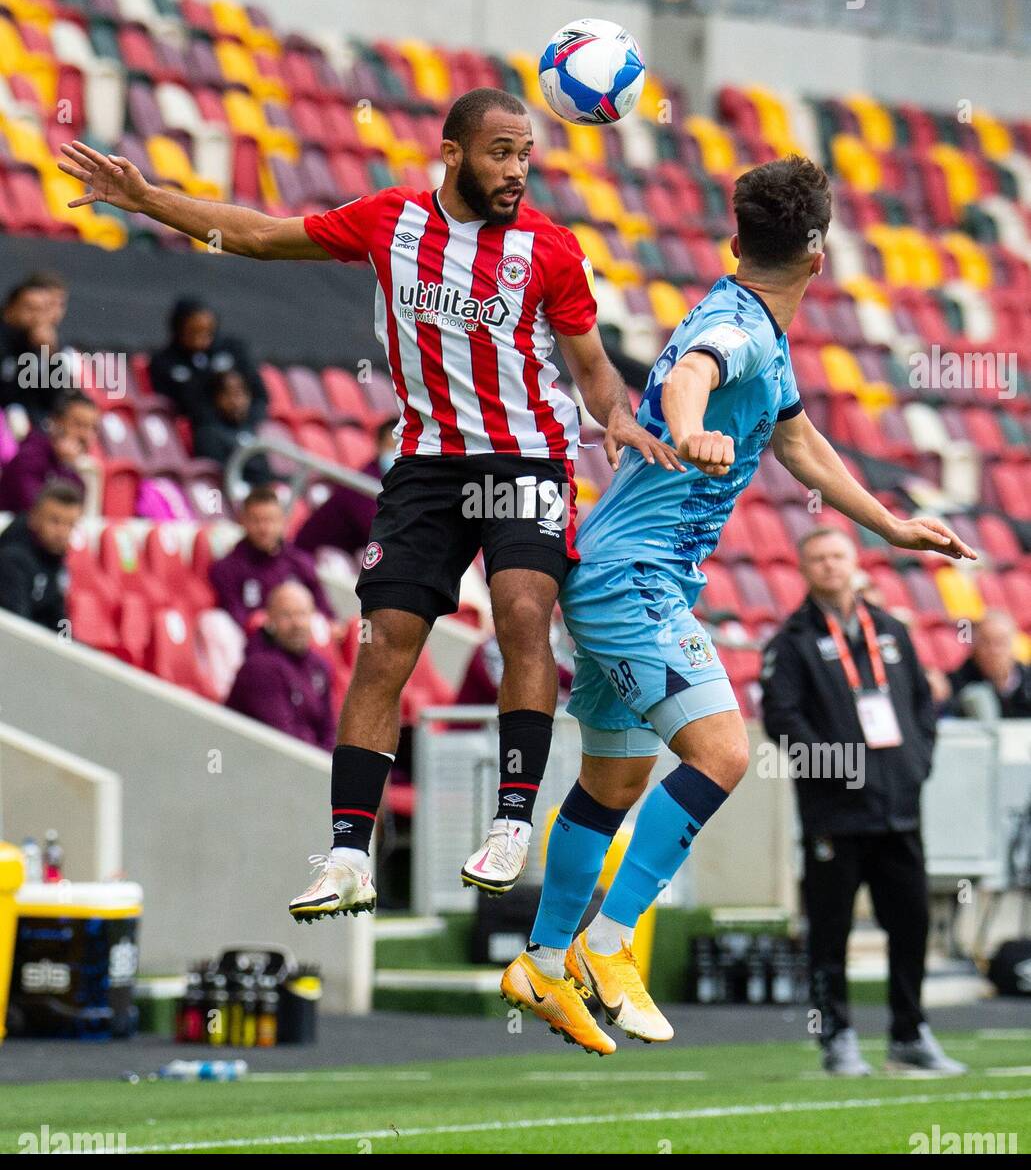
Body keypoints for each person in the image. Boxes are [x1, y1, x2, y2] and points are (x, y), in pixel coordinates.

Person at [57, 88, 672, 927]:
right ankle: (348, 854)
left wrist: (619, 417)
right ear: (452, 152)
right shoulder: (389, 221)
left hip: (526, 455)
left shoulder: (551, 252)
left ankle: (511, 822)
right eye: (500, 151)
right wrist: (146, 198)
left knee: (522, 613)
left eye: (526, 153)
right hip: (425, 466)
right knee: (382, 648)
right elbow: (259, 236)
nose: (517, 170)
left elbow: (593, 365)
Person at [497, 155, 975, 1056]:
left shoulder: (755, 323)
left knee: (612, 782)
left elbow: (798, 442)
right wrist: (687, 426)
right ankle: (608, 948)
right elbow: (693, 378)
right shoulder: (738, 327)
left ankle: (544, 960)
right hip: (631, 580)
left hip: (618, 575)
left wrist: (889, 526)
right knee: (720, 753)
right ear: (818, 254)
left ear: (734, 242)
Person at [760, 525, 965, 1076]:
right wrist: (840, 771)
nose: (829, 566)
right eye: (818, 558)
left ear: (853, 563)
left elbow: (924, 707)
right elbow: (782, 722)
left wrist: (915, 765)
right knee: (831, 932)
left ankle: (909, 1033)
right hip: (835, 815)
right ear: (803, 569)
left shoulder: (892, 631)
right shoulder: (792, 641)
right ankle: (836, 1037)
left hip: (899, 810)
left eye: (837, 556)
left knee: (911, 923)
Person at [226, 581, 336, 751]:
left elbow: (329, 731)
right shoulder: (259, 668)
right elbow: (284, 742)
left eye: (302, 614)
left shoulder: (319, 667)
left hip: (310, 763)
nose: (297, 623)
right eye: (286, 615)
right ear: (269, 619)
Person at [209, 485, 335, 629]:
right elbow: (237, 618)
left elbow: (326, 614)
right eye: (256, 520)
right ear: (242, 521)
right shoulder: (227, 569)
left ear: (282, 522)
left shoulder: (300, 562)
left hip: (303, 642)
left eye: (270, 520)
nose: (264, 528)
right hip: (256, 646)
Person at [148, 296, 268, 428]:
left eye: (207, 331)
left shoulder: (234, 349)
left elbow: (259, 394)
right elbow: (174, 405)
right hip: (201, 429)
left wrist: (246, 422)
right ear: (178, 329)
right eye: (193, 332)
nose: (200, 339)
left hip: (244, 425)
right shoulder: (163, 361)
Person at [294, 417, 395, 557]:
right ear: (378, 446)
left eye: (400, 449)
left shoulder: (395, 482)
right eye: (390, 447)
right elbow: (378, 533)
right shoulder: (362, 484)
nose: (395, 454)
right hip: (313, 556)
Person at [0, 480, 84, 632]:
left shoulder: (55, 558)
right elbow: (17, 631)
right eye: (55, 521)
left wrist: (68, 649)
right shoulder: (10, 559)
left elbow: (59, 618)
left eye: (70, 524)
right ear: (34, 518)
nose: (62, 532)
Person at [0, 391, 97, 513]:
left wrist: (66, 466)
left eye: (92, 427)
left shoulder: (72, 470)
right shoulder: (30, 456)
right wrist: (65, 467)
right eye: (79, 424)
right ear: (55, 421)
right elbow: (42, 514)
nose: (86, 435)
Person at [0, 272, 73, 426]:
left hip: (32, 423)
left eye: (42, 310)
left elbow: (52, 400)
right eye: (30, 309)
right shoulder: (7, 339)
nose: (37, 318)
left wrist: (51, 354)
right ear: (11, 307)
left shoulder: (40, 343)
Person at [192, 369, 274, 489]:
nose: (236, 402)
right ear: (215, 398)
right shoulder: (207, 434)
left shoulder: (251, 428)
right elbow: (218, 479)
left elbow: (265, 473)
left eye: (240, 394)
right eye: (228, 394)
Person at [946, 610, 1031, 719]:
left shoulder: (1027, 680)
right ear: (974, 647)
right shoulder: (956, 682)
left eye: (1000, 642)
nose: (994, 651)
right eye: (986, 642)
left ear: (1014, 645)